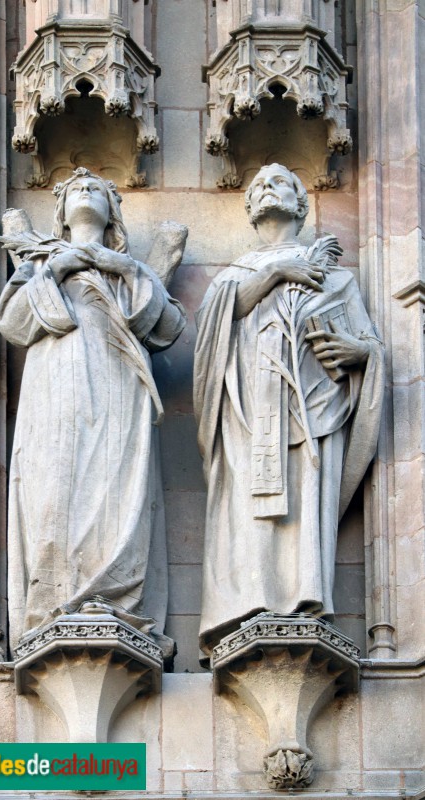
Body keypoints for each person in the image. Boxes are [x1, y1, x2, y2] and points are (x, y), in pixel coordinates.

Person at [194, 163, 384, 656]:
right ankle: (251, 606)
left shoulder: (335, 278)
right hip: (248, 409)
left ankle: (304, 603)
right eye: (257, 184)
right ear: (249, 208)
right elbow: (212, 330)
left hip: (312, 406)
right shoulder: (232, 278)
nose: (266, 188)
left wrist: (360, 354)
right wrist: (277, 272)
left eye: (279, 182)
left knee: (305, 495)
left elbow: (366, 342)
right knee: (249, 505)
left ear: (301, 203)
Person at [0, 167, 186, 653]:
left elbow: (165, 327)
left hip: (120, 387)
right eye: (76, 188)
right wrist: (58, 269)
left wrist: (122, 267)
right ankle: (54, 602)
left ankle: (115, 597)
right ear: (59, 212)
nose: (86, 189)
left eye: (98, 188)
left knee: (118, 481)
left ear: (112, 211)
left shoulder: (128, 271)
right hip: (56, 388)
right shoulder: (38, 262)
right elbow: (15, 324)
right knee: (57, 481)